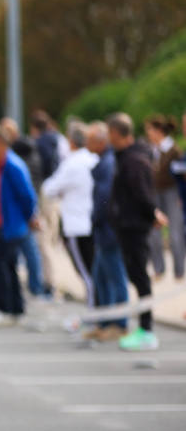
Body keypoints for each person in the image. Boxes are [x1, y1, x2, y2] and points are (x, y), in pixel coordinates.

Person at [108, 112, 167, 352]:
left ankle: (147, 330)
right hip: (127, 225)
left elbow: (143, 194)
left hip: (134, 227)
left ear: (116, 133)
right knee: (137, 277)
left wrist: (153, 213)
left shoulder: (134, 160)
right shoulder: (126, 157)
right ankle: (144, 328)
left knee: (141, 278)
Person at [40, 121, 98, 306]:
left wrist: (63, 191)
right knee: (94, 272)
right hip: (92, 221)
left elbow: (49, 188)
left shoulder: (72, 163)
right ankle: (100, 317)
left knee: (86, 274)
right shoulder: (94, 159)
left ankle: (95, 317)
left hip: (76, 224)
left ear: (72, 141)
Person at [0, 129, 38, 326]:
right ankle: (16, 308)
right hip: (1, 225)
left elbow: (27, 195)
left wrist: (29, 217)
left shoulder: (12, 165)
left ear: (0, 143)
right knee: (8, 266)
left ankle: (3, 308)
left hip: (12, 225)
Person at [86, 122, 129, 341]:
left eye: (90, 139)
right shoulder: (104, 162)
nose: (86, 143)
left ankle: (120, 324)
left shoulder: (107, 163)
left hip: (109, 230)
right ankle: (104, 322)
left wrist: (95, 219)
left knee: (115, 277)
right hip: (104, 230)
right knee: (100, 277)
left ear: (101, 141)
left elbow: (104, 200)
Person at [146, 114, 184, 281]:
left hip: (171, 192)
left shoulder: (173, 150)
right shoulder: (152, 150)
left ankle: (179, 270)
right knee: (154, 231)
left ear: (158, 131)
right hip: (156, 192)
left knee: (175, 232)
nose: (148, 134)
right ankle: (159, 268)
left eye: (150, 130)